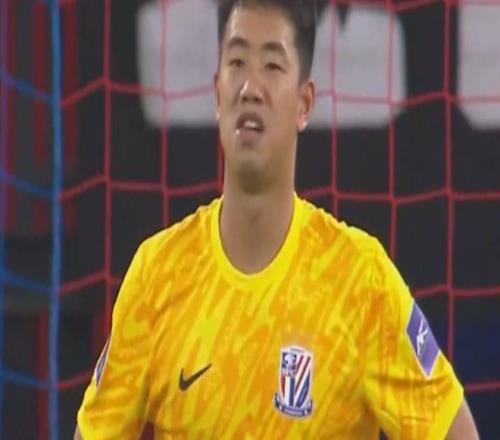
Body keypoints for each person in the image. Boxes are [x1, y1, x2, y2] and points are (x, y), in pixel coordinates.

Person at [74, 0, 478, 438]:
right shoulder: (157, 275)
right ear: (218, 93)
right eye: (237, 62)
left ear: (304, 104)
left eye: (271, 65)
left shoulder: (360, 281)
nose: (251, 87)